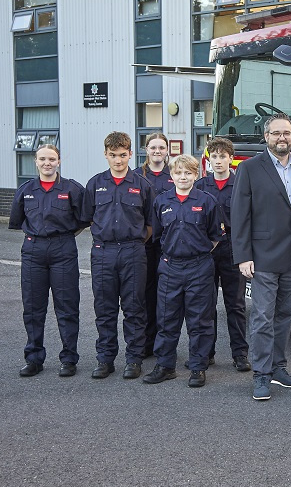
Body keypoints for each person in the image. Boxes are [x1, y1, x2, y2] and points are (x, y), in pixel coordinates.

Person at [231, 113, 291, 401]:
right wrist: (243, 256)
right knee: (263, 316)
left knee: (286, 314)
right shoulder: (250, 169)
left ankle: (278, 368)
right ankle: (261, 375)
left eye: (287, 133)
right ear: (266, 137)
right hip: (262, 256)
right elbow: (239, 215)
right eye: (276, 133)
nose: (282, 138)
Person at [143, 154, 226, 387]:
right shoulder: (162, 201)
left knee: (199, 320)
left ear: (195, 175)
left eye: (188, 173)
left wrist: (196, 254)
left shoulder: (207, 200)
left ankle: (198, 367)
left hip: (199, 267)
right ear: (172, 175)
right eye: (178, 173)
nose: (183, 177)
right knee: (167, 319)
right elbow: (158, 236)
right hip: (170, 268)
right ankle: (165, 365)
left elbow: (215, 237)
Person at [8, 144, 86, 378]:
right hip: (34, 250)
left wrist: (64, 236)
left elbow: (83, 219)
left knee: (67, 306)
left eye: (52, 159)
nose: (47, 163)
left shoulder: (72, 189)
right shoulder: (26, 190)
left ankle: (69, 359)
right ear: (36, 161)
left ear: (59, 161)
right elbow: (18, 219)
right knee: (33, 308)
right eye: (42, 159)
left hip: (63, 248)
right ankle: (34, 358)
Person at [82, 131, 154, 380]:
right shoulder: (94, 184)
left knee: (134, 308)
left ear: (131, 154)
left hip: (133, 252)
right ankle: (105, 359)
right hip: (103, 252)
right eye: (113, 155)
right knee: (105, 308)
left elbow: (150, 224)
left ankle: (133, 359)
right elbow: (89, 217)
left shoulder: (142, 185)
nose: (118, 160)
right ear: (105, 155)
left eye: (123, 155)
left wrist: (132, 243)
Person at [194, 137, 250, 372]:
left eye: (222, 156)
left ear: (231, 158)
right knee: (206, 306)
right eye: (214, 156)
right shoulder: (200, 186)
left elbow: (249, 220)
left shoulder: (241, 184)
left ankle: (240, 354)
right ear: (209, 159)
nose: (218, 161)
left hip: (232, 251)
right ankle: (207, 353)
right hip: (207, 252)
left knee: (235, 305)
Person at [135, 132, 174, 358]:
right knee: (146, 294)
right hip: (145, 245)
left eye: (161, 147)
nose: (157, 151)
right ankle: (147, 343)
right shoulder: (136, 176)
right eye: (153, 147)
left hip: (169, 245)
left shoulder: (175, 175)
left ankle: (165, 344)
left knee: (168, 296)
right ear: (146, 150)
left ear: (167, 150)